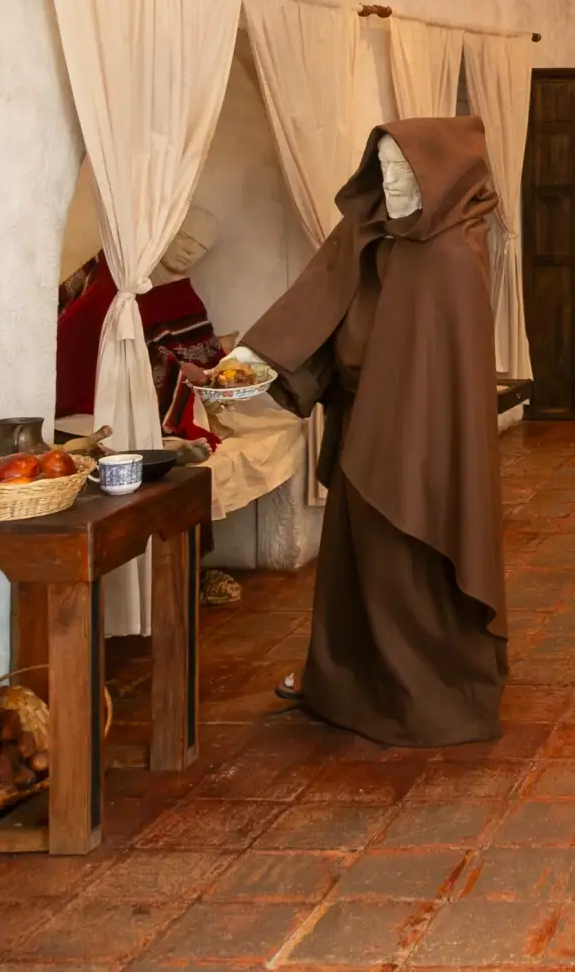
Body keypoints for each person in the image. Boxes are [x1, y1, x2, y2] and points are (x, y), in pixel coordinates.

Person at [209, 119, 505, 747]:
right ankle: (348, 682)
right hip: (361, 422)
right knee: (357, 562)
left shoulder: (454, 249)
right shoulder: (372, 229)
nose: (391, 183)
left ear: (439, 177)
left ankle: (423, 695)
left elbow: (444, 362)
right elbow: (322, 295)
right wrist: (259, 356)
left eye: (404, 171)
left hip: (421, 436)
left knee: (407, 560)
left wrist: (398, 426)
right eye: (384, 169)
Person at [57, 206, 225, 445]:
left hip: (140, 395)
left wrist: (195, 372)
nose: (190, 251)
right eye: (185, 237)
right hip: (83, 377)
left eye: (202, 248)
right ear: (164, 231)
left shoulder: (185, 299)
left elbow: (206, 362)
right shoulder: (113, 270)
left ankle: (172, 444)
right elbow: (69, 312)